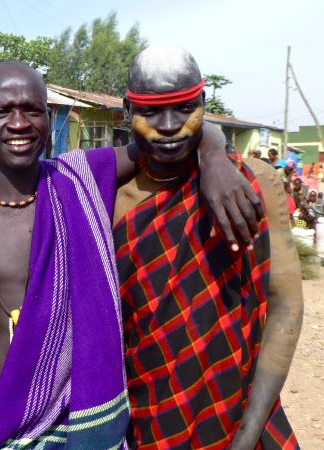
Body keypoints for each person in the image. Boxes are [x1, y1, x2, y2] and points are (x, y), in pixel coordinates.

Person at [0, 60, 264, 449]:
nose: (19, 124)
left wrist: (216, 157)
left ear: (47, 116)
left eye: (32, 110)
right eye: (3, 111)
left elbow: (164, 134)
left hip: (77, 417)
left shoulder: (77, 179)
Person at [113, 46, 302, 449]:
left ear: (203, 103)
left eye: (184, 108)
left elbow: (286, 302)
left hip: (239, 414)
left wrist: (249, 431)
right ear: (127, 110)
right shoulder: (109, 197)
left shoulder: (255, 183)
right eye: (151, 111)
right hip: (146, 420)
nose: (169, 126)